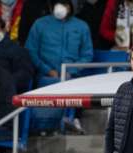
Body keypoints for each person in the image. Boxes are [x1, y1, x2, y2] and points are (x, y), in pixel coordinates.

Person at [25, 0, 93, 134]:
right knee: (53, 83)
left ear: (72, 6)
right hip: (45, 75)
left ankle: (69, 120)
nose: (60, 7)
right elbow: (30, 51)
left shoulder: (82, 26)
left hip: (73, 76)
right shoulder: (40, 24)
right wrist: (47, 70)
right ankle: (51, 124)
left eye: (65, 3)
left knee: (71, 85)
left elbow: (87, 54)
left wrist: (71, 70)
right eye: (57, 3)